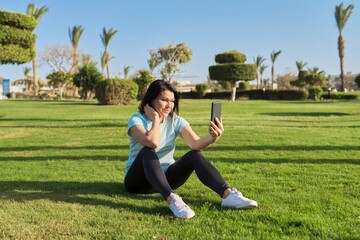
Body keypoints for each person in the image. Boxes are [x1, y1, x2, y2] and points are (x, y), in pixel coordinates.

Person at [124, 80, 257, 219]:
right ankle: (173, 200)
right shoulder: (136, 120)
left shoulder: (175, 120)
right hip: (137, 182)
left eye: (172, 101)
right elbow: (152, 143)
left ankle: (228, 195)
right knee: (147, 151)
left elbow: (195, 143)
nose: (169, 105)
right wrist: (156, 119)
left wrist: (213, 138)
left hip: (166, 179)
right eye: (164, 100)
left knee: (195, 155)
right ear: (151, 99)